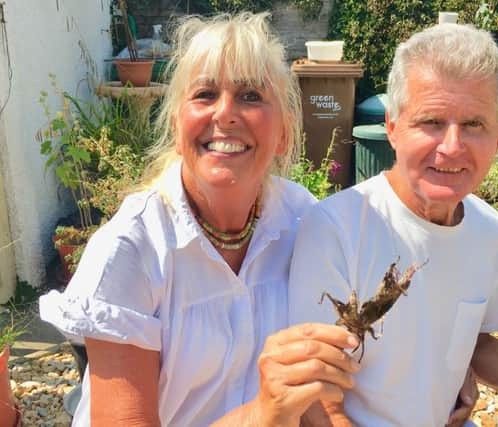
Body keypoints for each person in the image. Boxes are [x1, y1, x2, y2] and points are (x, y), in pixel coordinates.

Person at [39, 12, 362, 426]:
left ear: (283, 132)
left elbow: (325, 397)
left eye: (250, 96)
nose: (225, 114)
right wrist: (262, 413)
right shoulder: (131, 248)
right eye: (205, 94)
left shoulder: (304, 221)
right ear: (177, 125)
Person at [288, 23, 498, 427]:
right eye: (432, 121)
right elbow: (313, 394)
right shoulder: (336, 227)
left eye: (474, 125)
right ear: (393, 126)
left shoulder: (488, 229)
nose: (452, 147)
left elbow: (475, 344)